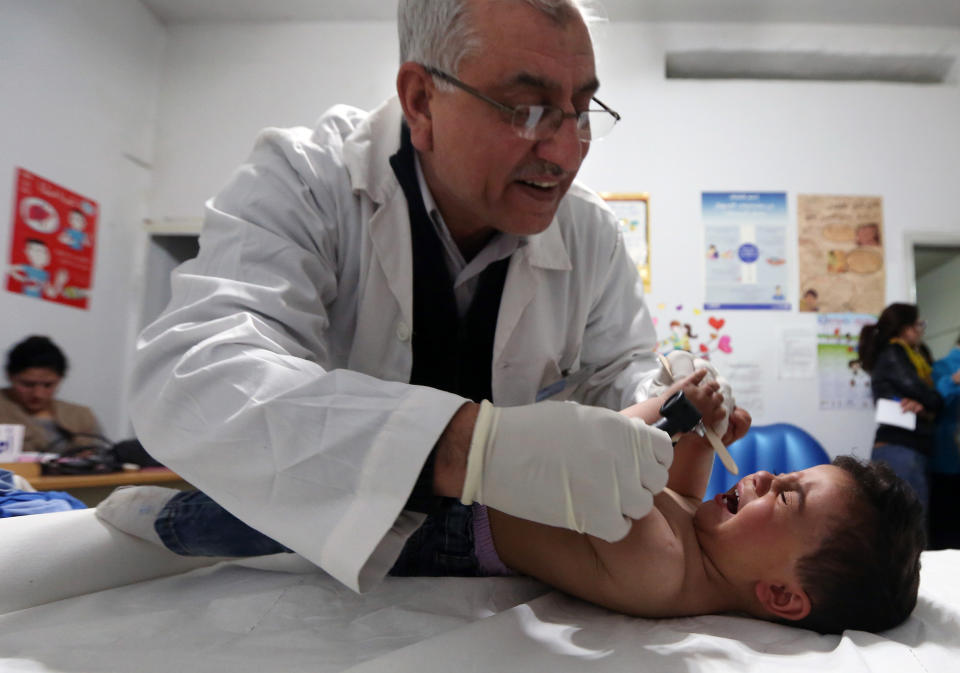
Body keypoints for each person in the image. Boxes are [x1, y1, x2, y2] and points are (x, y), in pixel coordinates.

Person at [128, 0, 750, 594]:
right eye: (525, 109)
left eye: (582, 109)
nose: (566, 153)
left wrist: (667, 407)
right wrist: (467, 447)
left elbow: (618, 370)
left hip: (484, 584)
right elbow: (194, 380)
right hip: (299, 564)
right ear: (421, 101)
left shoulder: (590, 236)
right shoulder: (308, 180)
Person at [98, 373, 923, 634]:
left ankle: (155, 520)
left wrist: (669, 414)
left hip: (440, 528)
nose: (765, 479)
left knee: (266, 515)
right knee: (294, 475)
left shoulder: (664, 574)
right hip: (468, 493)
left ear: (780, 593)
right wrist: (702, 435)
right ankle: (172, 500)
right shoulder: (701, 547)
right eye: (780, 475)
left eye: (788, 495)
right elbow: (673, 486)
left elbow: (609, 457)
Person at [857, 303, 942, 522]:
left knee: (904, 526)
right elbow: (929, 397)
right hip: (901, 449)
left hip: (906, 448)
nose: (921, 330)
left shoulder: (908, 356)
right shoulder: (895, 353)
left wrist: (926, 403)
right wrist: (931, 402)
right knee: (910, 527)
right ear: (905, 329)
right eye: (918, 324)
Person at [0, 335, 103, 453]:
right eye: (28, 385)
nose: (38, 394)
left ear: (60, 379)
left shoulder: (81, 416)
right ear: (10, 377)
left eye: (48, 385)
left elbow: (103, 458)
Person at [929, 334, 960, 549]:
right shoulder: (943, 367)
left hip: (948, 454)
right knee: (948, 515)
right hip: (946, 454)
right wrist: (953, 381)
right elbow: (934, 403)